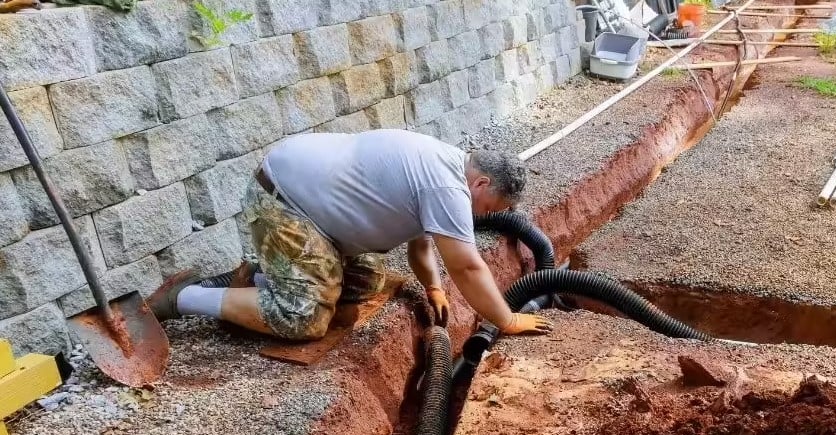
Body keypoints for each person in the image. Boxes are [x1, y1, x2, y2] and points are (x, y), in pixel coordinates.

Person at [146, 129, 554, 341]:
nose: (481, 218)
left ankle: (259, 278)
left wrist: (433, 288)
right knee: (303, 317)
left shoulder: (444, 164)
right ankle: (181, 297)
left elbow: (422, 242)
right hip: (286, 204)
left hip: (313, 211)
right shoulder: (446, 186)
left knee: (367, 282)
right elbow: (466, 265)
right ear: (481, 183)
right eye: (487, 210)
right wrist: (505, 319)